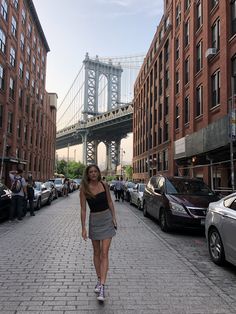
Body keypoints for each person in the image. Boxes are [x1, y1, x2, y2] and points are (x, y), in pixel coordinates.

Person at [80, 164, 117, 302]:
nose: (94, 174)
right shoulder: (84, 189)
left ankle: (102, 285)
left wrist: (114, 218)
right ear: (88, 174)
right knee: (96, 252)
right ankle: (98, 278)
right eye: (91, 172)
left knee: (104, 253)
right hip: (94, 221)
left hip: (107, 219)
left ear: (98, 173)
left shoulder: (104, 185)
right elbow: (83, 210)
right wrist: (83, 227)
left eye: (96, 171)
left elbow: (110, 202)